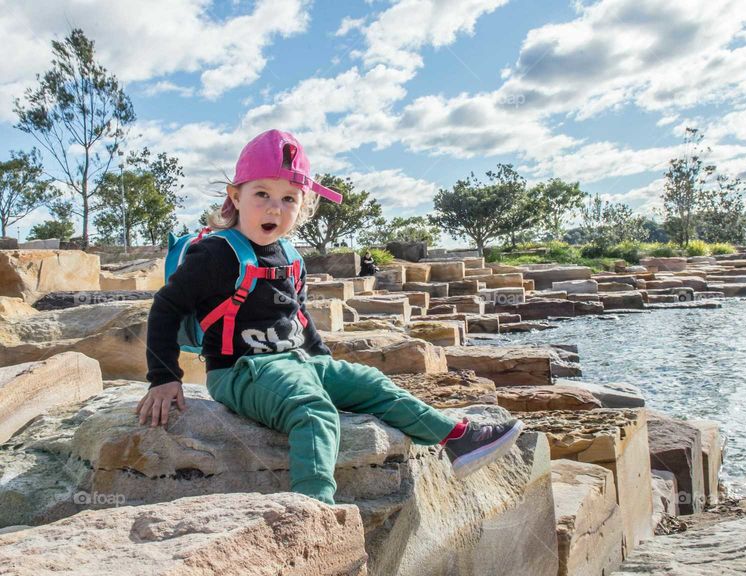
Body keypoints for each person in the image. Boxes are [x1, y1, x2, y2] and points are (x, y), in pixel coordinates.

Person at [135, 129, 522, 505]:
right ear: (235, 196)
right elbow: (166, 308)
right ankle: (313, 505)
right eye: (262, 194)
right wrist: (165, 378)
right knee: (313, 410)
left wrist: (322, 360)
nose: (275, 207)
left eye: (289, 198)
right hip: (241, 370)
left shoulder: (289, 256)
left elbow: (298, 316)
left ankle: (455, 437)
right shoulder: (217, 254)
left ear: (304, 205)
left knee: (372, 383)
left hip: (297, 361)